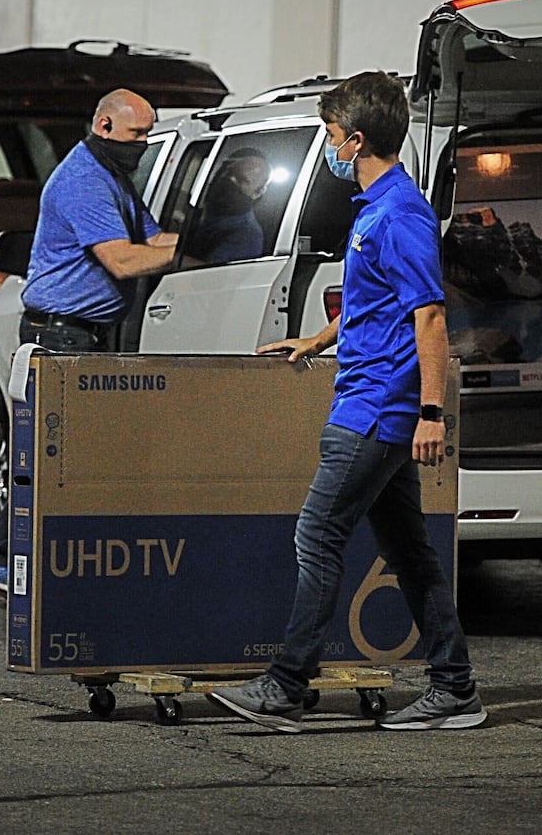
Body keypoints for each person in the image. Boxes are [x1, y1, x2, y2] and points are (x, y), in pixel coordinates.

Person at [206, 71, 486, 732]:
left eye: (331, 136)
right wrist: (318, 338)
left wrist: (431, 414)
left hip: (376, 411)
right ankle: (455, 688)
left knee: (317, 534)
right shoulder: (378, 212)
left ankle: (286, 686)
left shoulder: (400, 215)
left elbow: (430, 318)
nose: (329, 147)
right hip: (371, 402)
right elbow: (376, 303)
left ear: (355, 140)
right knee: (410, 552)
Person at [0, 88, 179, 593]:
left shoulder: (113, 179)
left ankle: (49, 566)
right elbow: (125, 260)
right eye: (137, 135)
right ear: (104, 127)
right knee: (47, 459)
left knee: (75, 460)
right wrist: (186, 252)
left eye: (148, 135)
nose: (143, 144)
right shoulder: (83, 180)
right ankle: (1, 560)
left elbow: (152, 240)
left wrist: (208, 238)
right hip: (59, 336)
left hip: (83, 336)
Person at [184, 148, 270, 264]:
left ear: (258, 192)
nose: (229, 180)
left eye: (241, 180)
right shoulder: (209, 211)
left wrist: (164, 256)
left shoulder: (247, 234)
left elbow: (208, 274)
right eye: (228, 173)